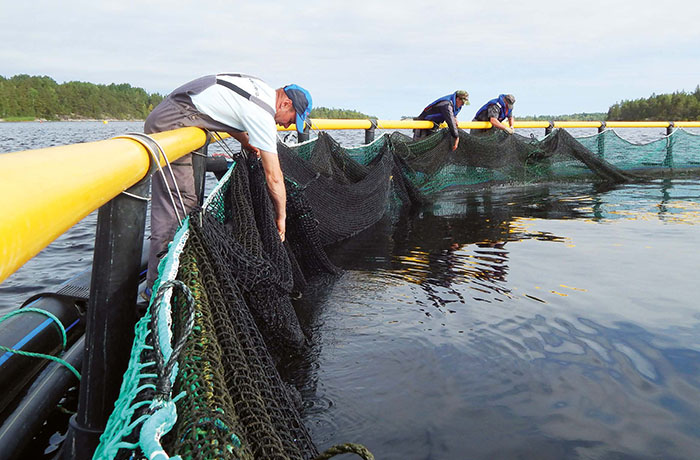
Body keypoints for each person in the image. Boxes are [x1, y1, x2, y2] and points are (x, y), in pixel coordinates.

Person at [143, 73, 312, 296]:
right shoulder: (263, 113)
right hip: (173, 121)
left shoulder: (259, 89)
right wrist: (281, 217)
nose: (288, 124)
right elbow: (274, 177)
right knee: (178, 205)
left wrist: (244, 140)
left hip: (181, 112)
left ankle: (173, 272)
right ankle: (157, 289)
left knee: (189, 204)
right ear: (285, 103)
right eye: (292, 118)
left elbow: (228, 113)